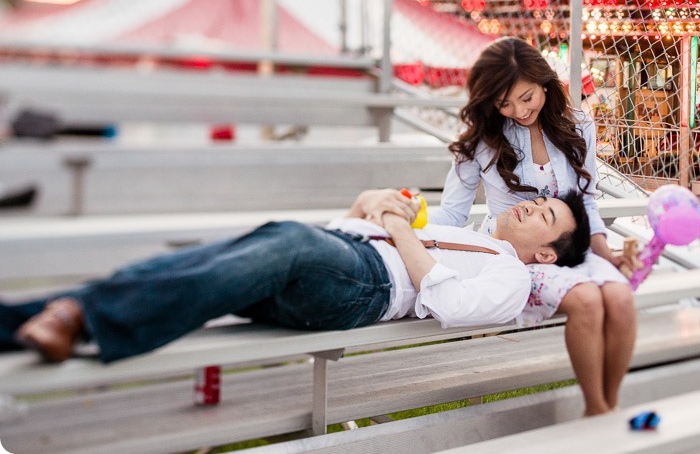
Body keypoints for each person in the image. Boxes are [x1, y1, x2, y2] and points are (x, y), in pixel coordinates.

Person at [3, 187, 590, 364]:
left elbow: (451, 305)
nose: (529, 207)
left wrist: (398, 227)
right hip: (339, 256)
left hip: (365, 287)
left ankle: (88, 316)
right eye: (536, 201)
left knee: (282, 238)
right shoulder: (470, 233)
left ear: (545, 255)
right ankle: (43, 318)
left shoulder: (511, 280)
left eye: (544, 217)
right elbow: (355, 228)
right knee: (202, 261)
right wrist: (367, 207)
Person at [428, 36, 639, 416]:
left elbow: (586, 198)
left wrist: (605, 253)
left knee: (621, 298)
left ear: (544, 83)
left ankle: (611, 402)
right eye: (503, 103)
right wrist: (411, 226)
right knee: (589, 300)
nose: (518, 111)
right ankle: (596, 408)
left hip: (567, 246)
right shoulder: (483, 140)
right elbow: (453, 215)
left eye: (526, 98)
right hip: (518, 256)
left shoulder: (577, 125)